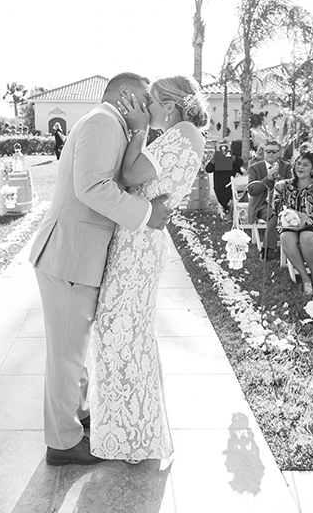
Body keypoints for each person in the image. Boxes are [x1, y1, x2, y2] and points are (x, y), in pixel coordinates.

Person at [28, 72, 170, 467]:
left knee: (73, 350)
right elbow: (90, 187)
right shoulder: (102, 122)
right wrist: (146, 214)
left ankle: (79, 414)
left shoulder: (112, 125)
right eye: (145, 96)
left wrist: (141, 134)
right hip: (69, 255)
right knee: (66, 355)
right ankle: (62, 441)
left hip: (77, 255)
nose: (150, 104)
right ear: (126, 94)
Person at [91, 74, 207, 463]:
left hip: (140, 246)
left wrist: (138, 131)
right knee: (124, 332)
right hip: (136, 240)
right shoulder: (180, 133)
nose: (145, 108)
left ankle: (135, 436)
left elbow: (131, 176)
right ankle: (130, 428)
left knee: (119, 331)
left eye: (150, 102)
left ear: (169, 105)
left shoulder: (185, 133)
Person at [273, 150, 313, 295]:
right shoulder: (282, 186)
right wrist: (292, 217)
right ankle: (305, 278)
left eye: (306, 165)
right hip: (289, 225)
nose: (301, 167)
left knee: (307, 237)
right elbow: (277, 206)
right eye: (298, 163)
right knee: (285, 238)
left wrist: (305, 220)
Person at [246, 139, 291, 259]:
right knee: (275, 215)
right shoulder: (254, 167)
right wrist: (268, 178)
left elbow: (291, 187)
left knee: (279, 212)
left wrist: (279, 177)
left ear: (280, 153)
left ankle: (270, 247)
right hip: (262, 204)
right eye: (268, 151)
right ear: (264, 152)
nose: (271, 154)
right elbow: (252, 190)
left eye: (274, 151)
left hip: (281, 203)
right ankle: (267, 250)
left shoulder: (286, 167)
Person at [204, 139, 244, 216]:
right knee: (221, 193)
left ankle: (231, 210)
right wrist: (213, 161)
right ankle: (227, 208)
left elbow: (240, 162)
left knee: (235, 195)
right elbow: (208, 169)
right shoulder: (216, 158)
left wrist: (233, 159)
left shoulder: (234, 156)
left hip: (232, 183)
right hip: (220, 184)